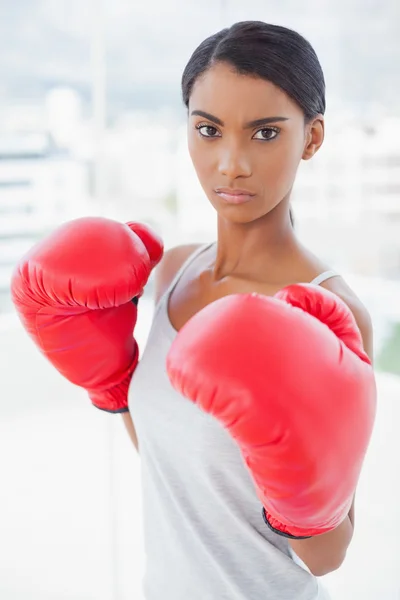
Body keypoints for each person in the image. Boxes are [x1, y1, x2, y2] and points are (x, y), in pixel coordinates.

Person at [11, 21, 376, 600]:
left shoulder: (329, 312)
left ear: (311, 138)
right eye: (209, 130)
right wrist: (110, 383)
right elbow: (174, 467)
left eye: (264, 133)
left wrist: (302, 472)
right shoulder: (173, 271)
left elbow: (327, 556)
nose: (231, 163)